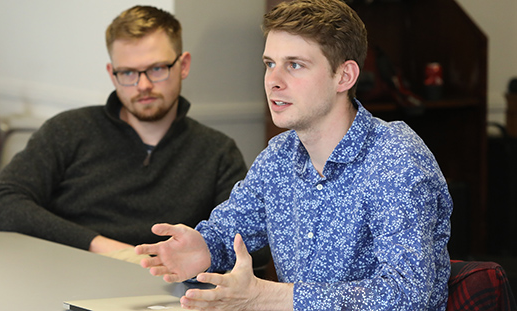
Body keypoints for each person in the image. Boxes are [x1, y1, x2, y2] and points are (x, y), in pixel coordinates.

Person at [134, 0, 453, 310]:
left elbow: (408, 295)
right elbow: (228, 232)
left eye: (295, 65)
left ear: (344, 76)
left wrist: (268, 298)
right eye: (269, 64)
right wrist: (203, 248)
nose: (273, 81)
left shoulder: (394, 159)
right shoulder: (279, 156)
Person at [0, 5, 247, 263]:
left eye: (156, 69)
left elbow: (250, 246)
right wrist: (107, 248)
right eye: (127, 72)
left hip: (164, 292)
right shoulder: (68, 130)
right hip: (64, 274)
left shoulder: (217, 152)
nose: (143, 85)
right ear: (112, 74)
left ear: (183, 65)